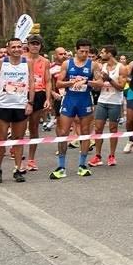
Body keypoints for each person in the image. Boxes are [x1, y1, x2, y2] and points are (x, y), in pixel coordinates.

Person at [0, 37, 34, 184]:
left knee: (18, 140)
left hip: (20, 105)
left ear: (23, 48)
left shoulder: (28, 63)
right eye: (13, 47)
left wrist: (30, 102)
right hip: (3, 105)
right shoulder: (1, 62)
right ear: (8, 49)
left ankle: (18, 169)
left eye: (19, 47)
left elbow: (32, 83)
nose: (16, 49)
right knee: (1, 139)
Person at [51, 39, 98, 179]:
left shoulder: (93, 65)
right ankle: (61, 167)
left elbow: (100, 83)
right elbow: (58, 83)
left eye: (87, 51)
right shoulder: (67, 63)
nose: (84, 54)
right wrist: (71, 82)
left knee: (84, 132)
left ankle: (82, 165)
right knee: (63, 132)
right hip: (70, 100)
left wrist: (86, 81)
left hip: (85, 100)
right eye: (82, 51)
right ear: (76, 50)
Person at [87, 45, 125, 167]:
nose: (100, 55)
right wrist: (91, 83)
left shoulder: (121, 67)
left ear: (109, 54)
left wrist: (109, 79)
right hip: (102, 100)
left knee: (113, 129)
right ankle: (97, 156)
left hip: (115, 101)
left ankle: (112, 155)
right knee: (98, 128)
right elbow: (98, 85)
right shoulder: (100, 66)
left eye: (103, 52)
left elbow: (121, 87)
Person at [24, 35, 51, 172]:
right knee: (19, 128)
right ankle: (16, 155)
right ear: (28, 45)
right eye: (32, 43)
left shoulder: (45, 61)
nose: (35, 46)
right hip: (22, 93)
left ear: (41, 46)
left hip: (39, 93)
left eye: (37, 44)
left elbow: (48, 81)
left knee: (34, 127)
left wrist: (47, 98)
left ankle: (31, 159)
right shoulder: (22, 58)